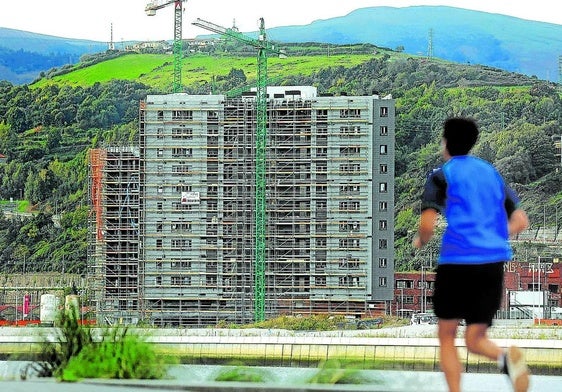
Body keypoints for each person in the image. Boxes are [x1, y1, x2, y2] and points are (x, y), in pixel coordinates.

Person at [412, 117, 530, 392]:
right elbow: (521, 221)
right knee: (475, 338)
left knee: (447, 335)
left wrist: (421, 239)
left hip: (457, 261)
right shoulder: (491, 174)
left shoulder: (442, 174)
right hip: (492, 263)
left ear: (445, 143)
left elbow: (428, 223)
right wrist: (492, 237)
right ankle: (505, 359)